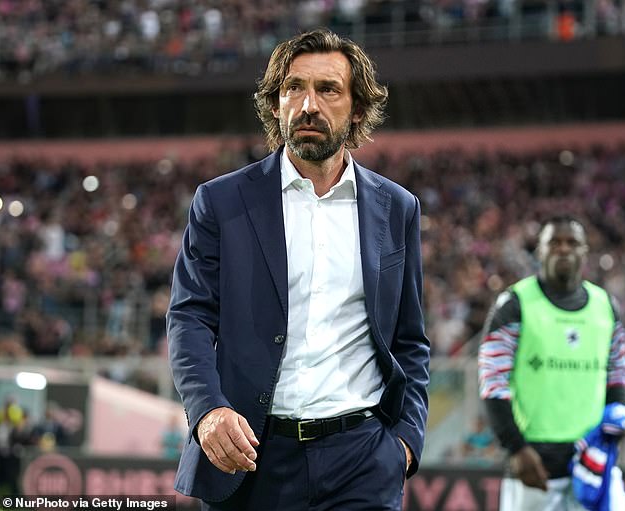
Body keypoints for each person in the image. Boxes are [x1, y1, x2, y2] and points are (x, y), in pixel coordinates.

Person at [167, 28, 430, 511]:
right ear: (275, 103)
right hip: (250, 456)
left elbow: (409, 340)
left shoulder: (398, 208)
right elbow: (189, 318)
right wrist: (208, 411)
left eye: (328, 89)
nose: (309, 105)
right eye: (294, 88)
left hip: (363, 460)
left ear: (356, 109)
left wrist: (405, 442)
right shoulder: (221, 201)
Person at [478, 215, 625, 510]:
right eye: (554, 242)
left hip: (594, 463)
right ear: (540, 251)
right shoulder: (515, 303)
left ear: (585, 251)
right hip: (535, 464)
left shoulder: (606, 305)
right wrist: (515, 448)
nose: (563, 249)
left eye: (572, 242)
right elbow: (492, 381)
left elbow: (618, 374)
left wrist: (614, 431)